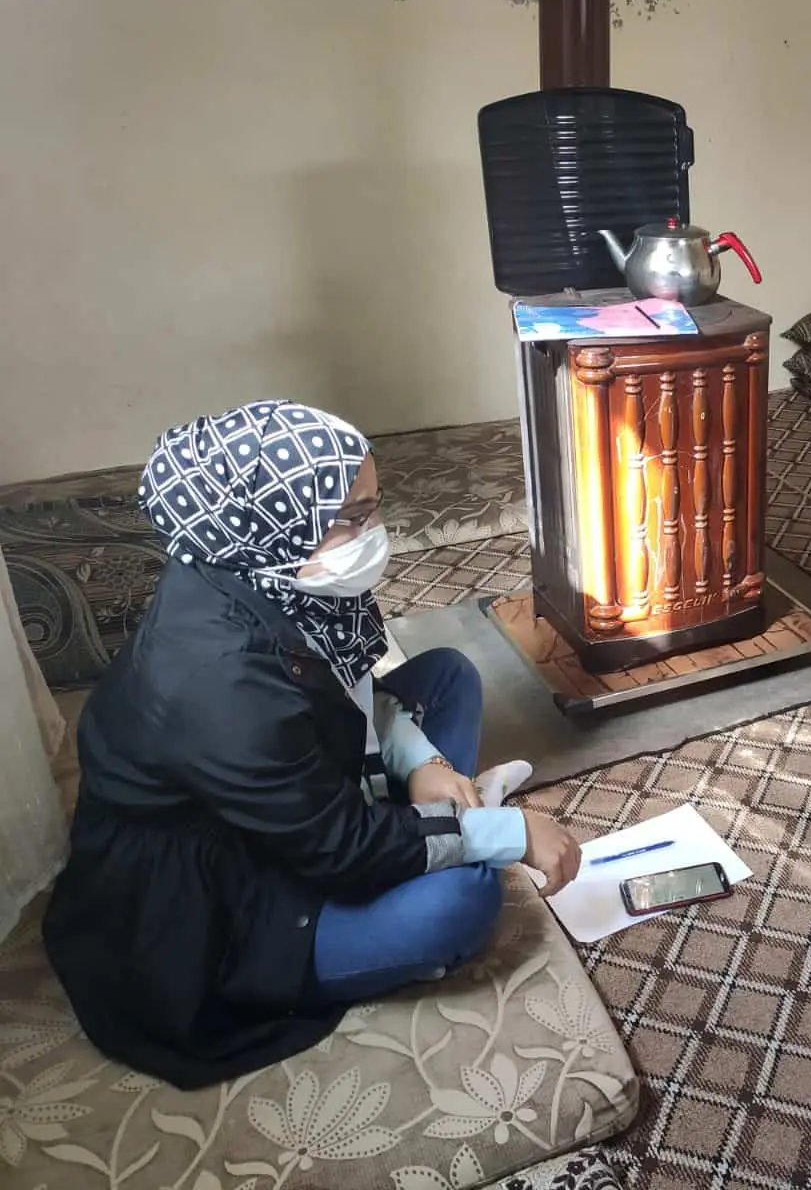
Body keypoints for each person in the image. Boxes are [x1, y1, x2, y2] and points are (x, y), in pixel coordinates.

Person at [43, 400, 581, 1089]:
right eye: (349, 518)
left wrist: (421, 759)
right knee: (460, 907)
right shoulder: (218, 684)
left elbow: (349, 688)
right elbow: (344, 851)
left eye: (374, 506)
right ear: (271, 519)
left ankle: (446, 818)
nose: (374, 533)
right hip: (220, 889)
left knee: (448, 675)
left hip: (288, 795)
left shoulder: (265, 570)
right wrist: (507, 833)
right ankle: (456, 832)